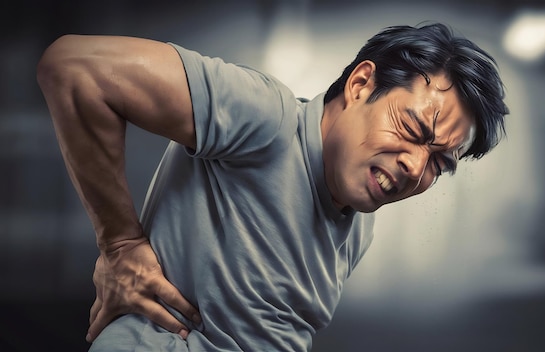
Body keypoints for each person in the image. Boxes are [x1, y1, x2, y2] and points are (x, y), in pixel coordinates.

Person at [37, 22, 508, 351]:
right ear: (362, 84)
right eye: (412, 128)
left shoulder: (357, 225)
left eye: (440, 162)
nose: (415, 166)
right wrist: (120, 244)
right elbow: (75, 67)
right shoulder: (266, 117)